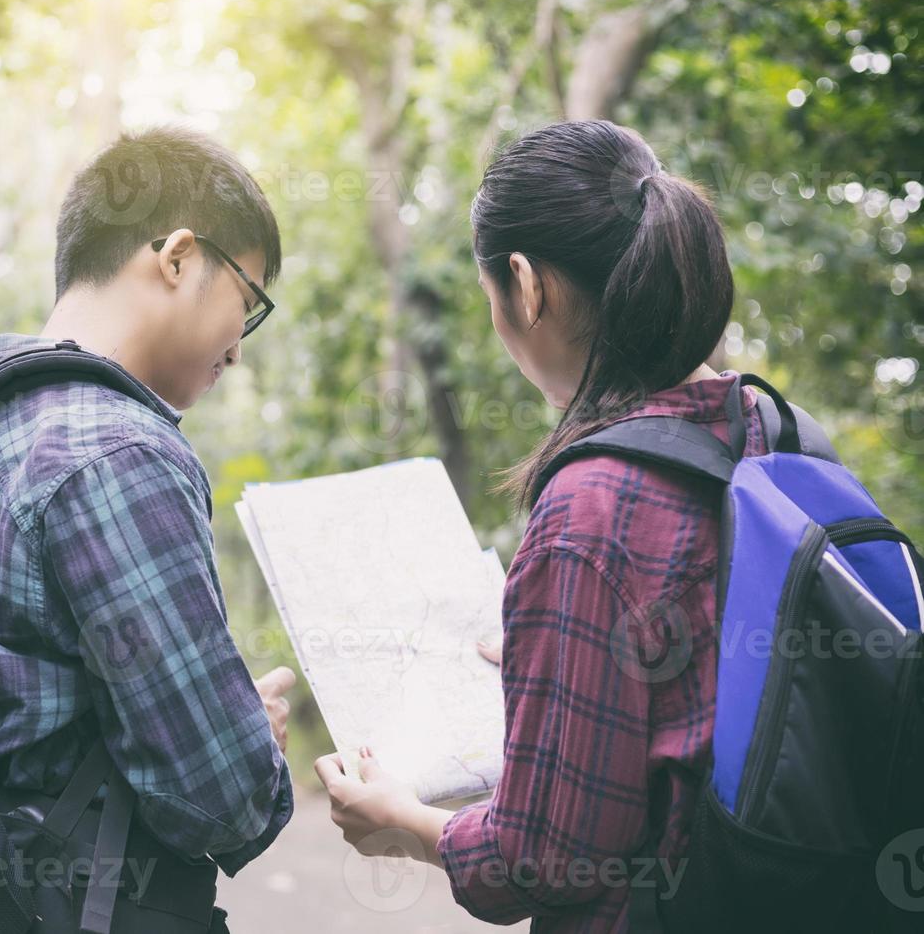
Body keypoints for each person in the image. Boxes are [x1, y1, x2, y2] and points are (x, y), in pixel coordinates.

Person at [316, 119, 759, 931]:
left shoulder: (593, 508)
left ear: (526, 284)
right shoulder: (770, 430)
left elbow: (543, 861)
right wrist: (556, 655)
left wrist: (403, 821)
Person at [0, 125, 295, 932]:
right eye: (247, 303)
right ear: (177, 257)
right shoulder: (116, 451)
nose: (238, 350)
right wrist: (252, 738)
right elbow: (222, 800)